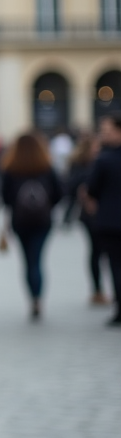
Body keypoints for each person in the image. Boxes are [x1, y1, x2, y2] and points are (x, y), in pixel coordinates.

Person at [0, 133, 63, 321]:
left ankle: (32, 297)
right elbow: (59, 193)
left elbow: (5, 198)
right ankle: (38, 298)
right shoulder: (47, 167)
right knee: (37, 259)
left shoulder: (11, 169)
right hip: (43, 221)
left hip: (20, 222)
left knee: (28, 261)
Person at [87, 113, 121, 326]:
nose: (103, 135)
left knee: (116, 266)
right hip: (110, 221)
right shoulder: (103, 158)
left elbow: (92, 189)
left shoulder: (104, 159)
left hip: (111, 220)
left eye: (107, 131)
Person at [66, 134, 108, 306]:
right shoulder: (80, 165)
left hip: (104, 212)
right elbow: (70, 187)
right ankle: (97, 289)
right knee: (96, 251)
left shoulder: (103, 161)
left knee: (103, 252)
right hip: (89, 214)